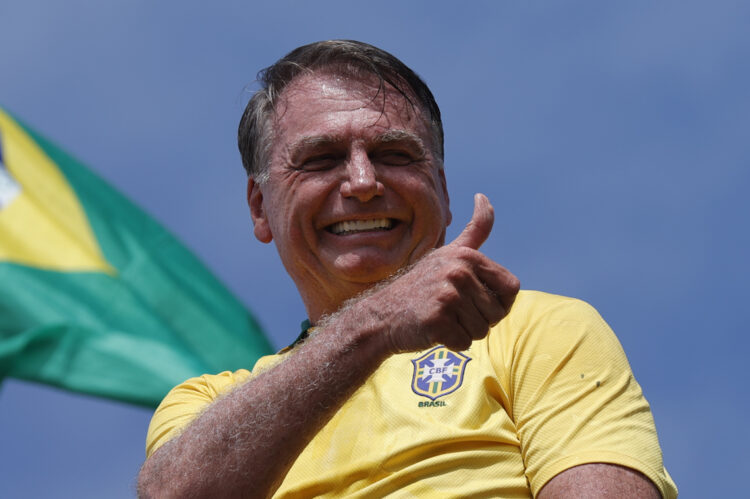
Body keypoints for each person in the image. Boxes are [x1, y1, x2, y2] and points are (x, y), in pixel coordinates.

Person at [137, 40, 677, 498]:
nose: (363, 182)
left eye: (395, 154)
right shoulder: (206, 403)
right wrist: (377, 323)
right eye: (321, 159)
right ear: (260, 208)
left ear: (442, 193)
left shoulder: (538, 330)